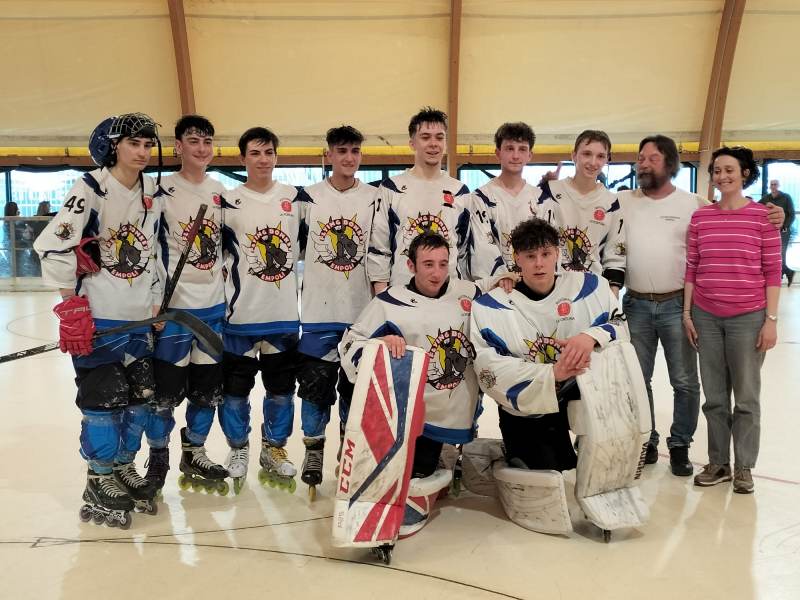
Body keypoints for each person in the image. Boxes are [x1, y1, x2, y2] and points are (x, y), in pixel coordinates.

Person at [33, 113, 163, 526]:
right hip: (100, 318)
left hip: (138, 318)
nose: (142, 152)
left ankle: (124, 466)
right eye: (134, 144)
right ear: (113, 146)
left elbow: (154, 253)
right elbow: (52, 246)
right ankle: (99, 476)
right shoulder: (89, 189)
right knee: (103, 402)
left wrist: (156, 301)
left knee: (140, 401)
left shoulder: (152, 191)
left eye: (147, 145)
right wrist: (70, 304)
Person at [341, 231, 482, 535]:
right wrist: (378, 343)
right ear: (410, 265)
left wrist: (507, 281)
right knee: (408, 470)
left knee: (421, 467)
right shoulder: (389, 302)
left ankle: (447, 455)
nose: (437, 273)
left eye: (443, 264)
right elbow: (350, 344)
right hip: (412, 417)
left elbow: (502, 298)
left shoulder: (469, 293)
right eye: (428, 264)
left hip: (456, 407)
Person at [470, 217, 627, 474]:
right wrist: (551, 374)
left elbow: (621, 326)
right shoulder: (491, 306)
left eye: (545, 254)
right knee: (547, 474)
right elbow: (488, 369)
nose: (539, 263)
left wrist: (591, 336)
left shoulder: (590, 287)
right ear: (517, 258)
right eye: (530, 256)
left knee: (607, 465)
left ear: (557, 253)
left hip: (583, 393)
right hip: (528, 405)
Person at [684, 146, 781, 494]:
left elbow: (772, 271)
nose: (722, 176)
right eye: (717, 170)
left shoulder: (763, 218)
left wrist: (770, 320)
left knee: (747, 398)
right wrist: (687, 313)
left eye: (729, 170)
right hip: (706, 317)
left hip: (748, 318)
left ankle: (744, 467)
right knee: (714, 397)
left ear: (744, 174)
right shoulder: (701, 218)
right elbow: (692, 267)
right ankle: (719, 463)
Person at [145, 114, 229, 494]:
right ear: (178, 146)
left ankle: (194, 450)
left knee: (207, 391)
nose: (201, 148)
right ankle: (158, 455)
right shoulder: (160, 191)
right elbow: (148, 249)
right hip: (175, 312)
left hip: (212, 311)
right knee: (163, 395)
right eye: (193, 141)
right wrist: (152, 302)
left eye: (207, 141)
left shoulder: (220, 192)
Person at [219, 126, 304, 493]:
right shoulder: (226, 202)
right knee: (235, 391)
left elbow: (305, 248)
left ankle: (274, 448)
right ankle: (238, 448)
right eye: (255, 153)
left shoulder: (295, 199)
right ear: (242, 158)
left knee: (281, 390)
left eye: (268, 152)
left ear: (276, 157)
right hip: (240, 317)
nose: (263, 159)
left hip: (282, 316)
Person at [294, 125, 376, 497]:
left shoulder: (375, 198)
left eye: (354, 151)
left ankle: (349, 447)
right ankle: (313, 451)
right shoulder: (307, 198)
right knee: (314, 389)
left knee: (355, 391)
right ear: (329, 154)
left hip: (362, 315)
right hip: (317, 314)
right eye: (341, 151)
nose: (349, 158)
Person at [618, 135, 704, 475]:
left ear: (669, 163)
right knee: (639, 379)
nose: (643, 164)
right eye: (640, 158)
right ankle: (648, 440)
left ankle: (680, 445)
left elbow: (730, 214)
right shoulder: (623, 200)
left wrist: (773, 213)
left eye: (652, 158)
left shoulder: (693, 203)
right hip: (635, 304)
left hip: (677, 306)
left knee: (684, 381)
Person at [368, 107, 473, 293]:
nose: (433, 144)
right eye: (425, 137)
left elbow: (464, 251)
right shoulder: (391, 188)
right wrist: (381, 294)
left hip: (449, 294)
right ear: (412, 143)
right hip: (402, 293)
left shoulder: (460, 192)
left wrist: (464, 292)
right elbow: (379, 246)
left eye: (439, 137)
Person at [536, 130, 626, 294]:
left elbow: (615, 257)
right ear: (574, 155)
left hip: (592, 291)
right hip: (550, 290)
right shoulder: (549, 192)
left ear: (607, 159)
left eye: (600, 156)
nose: (593, 162)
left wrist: (612, 299)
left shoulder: (611, 203)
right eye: (587, 154)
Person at [470, 122, 539, 279]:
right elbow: (482, 248)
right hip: (497, 284)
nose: (515, 156)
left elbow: (547, 247)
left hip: (533, 283)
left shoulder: (541, 199)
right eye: (509, 148)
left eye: (522, 149)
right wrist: (504, 279)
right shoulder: (481, 198)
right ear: (498, 153)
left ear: (530, 155)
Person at [759, 179, 795, 285]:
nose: (773, 186)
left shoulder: (786, 197)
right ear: (770, 186)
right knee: (774, 255)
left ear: (779, 186)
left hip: (784, 231)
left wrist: (785, 226)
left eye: (775, 184)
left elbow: (792, 214)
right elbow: (757, 206)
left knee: (780, 254)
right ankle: (787, 272)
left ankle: (781, 276)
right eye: (772, 184)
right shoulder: (766, 198)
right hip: (770, 232)